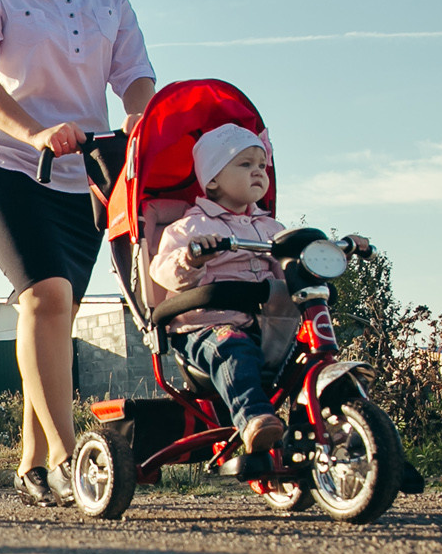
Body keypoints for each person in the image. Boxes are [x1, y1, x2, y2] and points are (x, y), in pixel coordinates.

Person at [0, 0, 160, 508]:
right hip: (7, 164)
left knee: (56, 312)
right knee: (44, 296)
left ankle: (31, 464)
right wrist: (37, 131)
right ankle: (73, 458)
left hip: (90, 175)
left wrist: (137, 112)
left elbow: (135, 73)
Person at [147, 126, 367, 459]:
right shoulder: (190, 227)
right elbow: (162, 272)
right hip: (205, 325)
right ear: (213, 180)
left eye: (262, 166)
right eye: (245, 164)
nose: (257, 172)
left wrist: (334, 252)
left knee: (308, 357)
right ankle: (253, 419)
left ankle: (354, 438)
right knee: (232, 347)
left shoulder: (272, 230)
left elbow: (291, 271)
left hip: (264, 329)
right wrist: (192, 257)